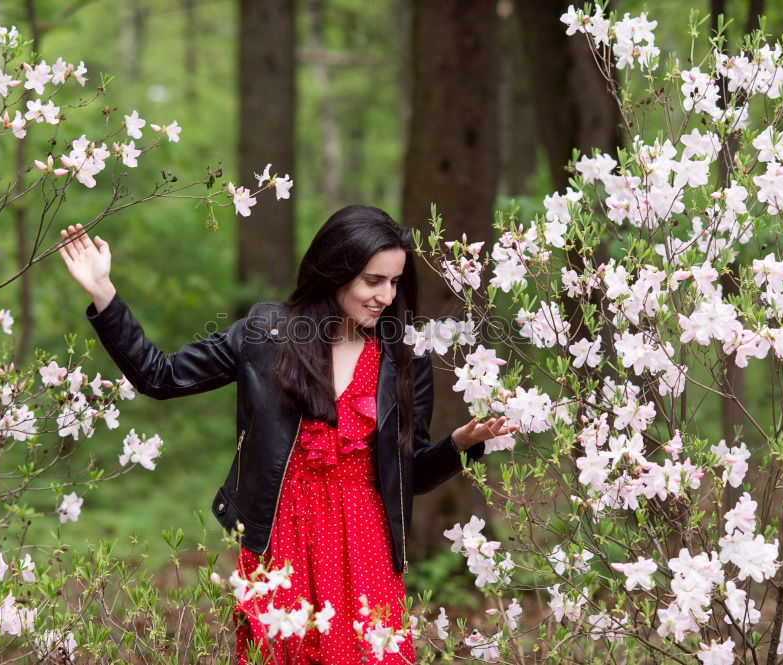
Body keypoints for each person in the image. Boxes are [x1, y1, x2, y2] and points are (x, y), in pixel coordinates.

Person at [58, 204, 518, 663]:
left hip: (365, 545)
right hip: (282, 539)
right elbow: (159, 376)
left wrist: (459, 446)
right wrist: (104, 293)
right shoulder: (266, 333)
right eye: (372, 281)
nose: (385, 296)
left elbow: (409, 475)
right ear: (335, 272)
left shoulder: (405, 356)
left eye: (395, 282)